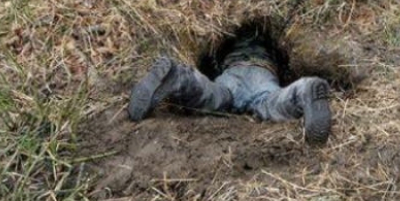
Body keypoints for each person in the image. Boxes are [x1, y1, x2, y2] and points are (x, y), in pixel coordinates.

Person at [128, 34, 332, 145]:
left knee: (214, 96)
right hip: (263, 71)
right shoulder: (270, 41)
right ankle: (304, 89)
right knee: (270, 102)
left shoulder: (227, 38)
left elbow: (210, 57)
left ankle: (179, 76)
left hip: (232, 71)